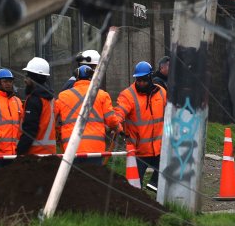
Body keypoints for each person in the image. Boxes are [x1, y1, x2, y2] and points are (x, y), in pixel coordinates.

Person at [55, 65, 121, 165]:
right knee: (93, 178)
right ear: (92, 78)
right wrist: (118, 128)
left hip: (71, 148)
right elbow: (111, 120)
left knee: (74, 179)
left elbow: (52, 120)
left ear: (76, 78)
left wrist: (59, 133)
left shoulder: (63, 96)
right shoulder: (102, 95)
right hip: (95, 149)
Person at [115, 61, 166, 189]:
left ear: (150, 77)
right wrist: (116, 125)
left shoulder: (161, 92)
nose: (141, 83)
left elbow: (171, 112)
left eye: (144, 80)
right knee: (134, 188)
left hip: (159, 148)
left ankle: (154, 186)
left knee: (168, 169)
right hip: (139, 150)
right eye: (138, 80)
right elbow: (119, 112)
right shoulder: (127, 95)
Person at [17, 57, 56, 156]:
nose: (25, 80)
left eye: (27, 76)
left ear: (34, 78)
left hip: (34, 154)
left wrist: (19, 151)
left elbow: (30, 129)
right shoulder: (49, 98)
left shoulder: (34, 99)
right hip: (49, 153)